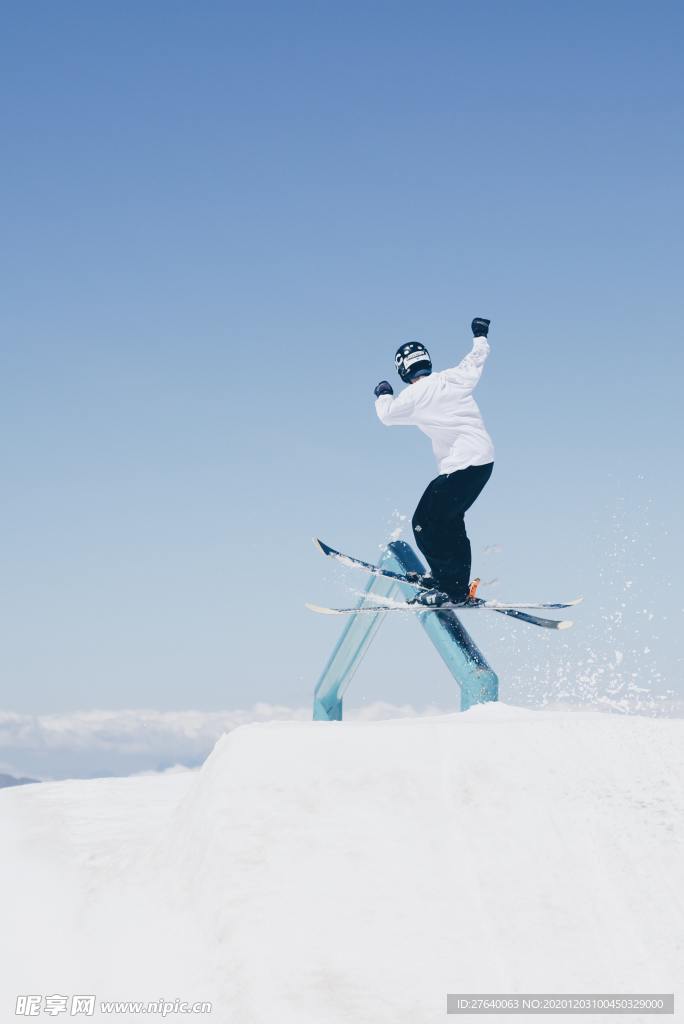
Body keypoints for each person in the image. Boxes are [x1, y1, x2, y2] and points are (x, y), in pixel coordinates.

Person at [373, 317, 494, 606]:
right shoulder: (454, 378)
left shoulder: (413, 396)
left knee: (424, 524)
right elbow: (476, 358)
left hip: (463, 466)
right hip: (483, 462)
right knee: (450, 521)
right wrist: (480, 334)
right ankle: (453, 582)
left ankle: (450, 588)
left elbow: (387, 415)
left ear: (403, 370)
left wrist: (383, 393)